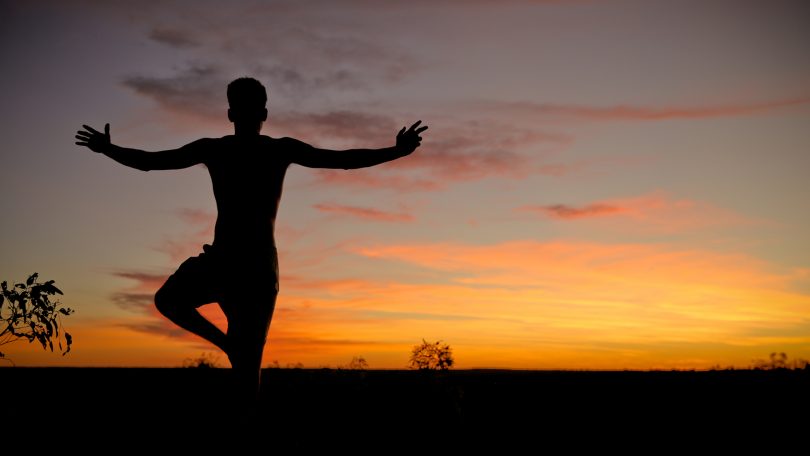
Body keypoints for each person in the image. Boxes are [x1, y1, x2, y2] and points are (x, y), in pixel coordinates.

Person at [75, 77, 427, 399]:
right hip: (239, 263)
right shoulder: (246, 149)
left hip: (247, 267)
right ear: (262, 114)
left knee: (235, 362)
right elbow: (343, 161)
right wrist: (396, 151)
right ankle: (231, 348)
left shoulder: (249, 149)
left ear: (234, 113)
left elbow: (151, 162)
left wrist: (108, 149)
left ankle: (234, 362)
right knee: (202, 328)